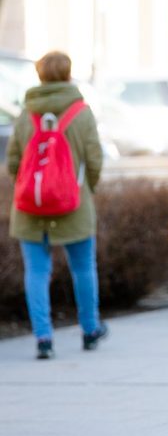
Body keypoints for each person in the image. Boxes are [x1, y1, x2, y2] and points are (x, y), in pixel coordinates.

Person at [6, 50, 108, 360]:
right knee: (83, 269)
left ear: (39, 75)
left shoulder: (26, 113)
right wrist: (83, 190)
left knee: (36, 273)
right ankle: (90, 331)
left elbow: (13, 161)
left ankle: (44, 339)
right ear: (68, 74)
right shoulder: (81, 112)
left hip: (29, 207)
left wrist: (31, 189)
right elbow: (94, 160)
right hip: (73, 205)